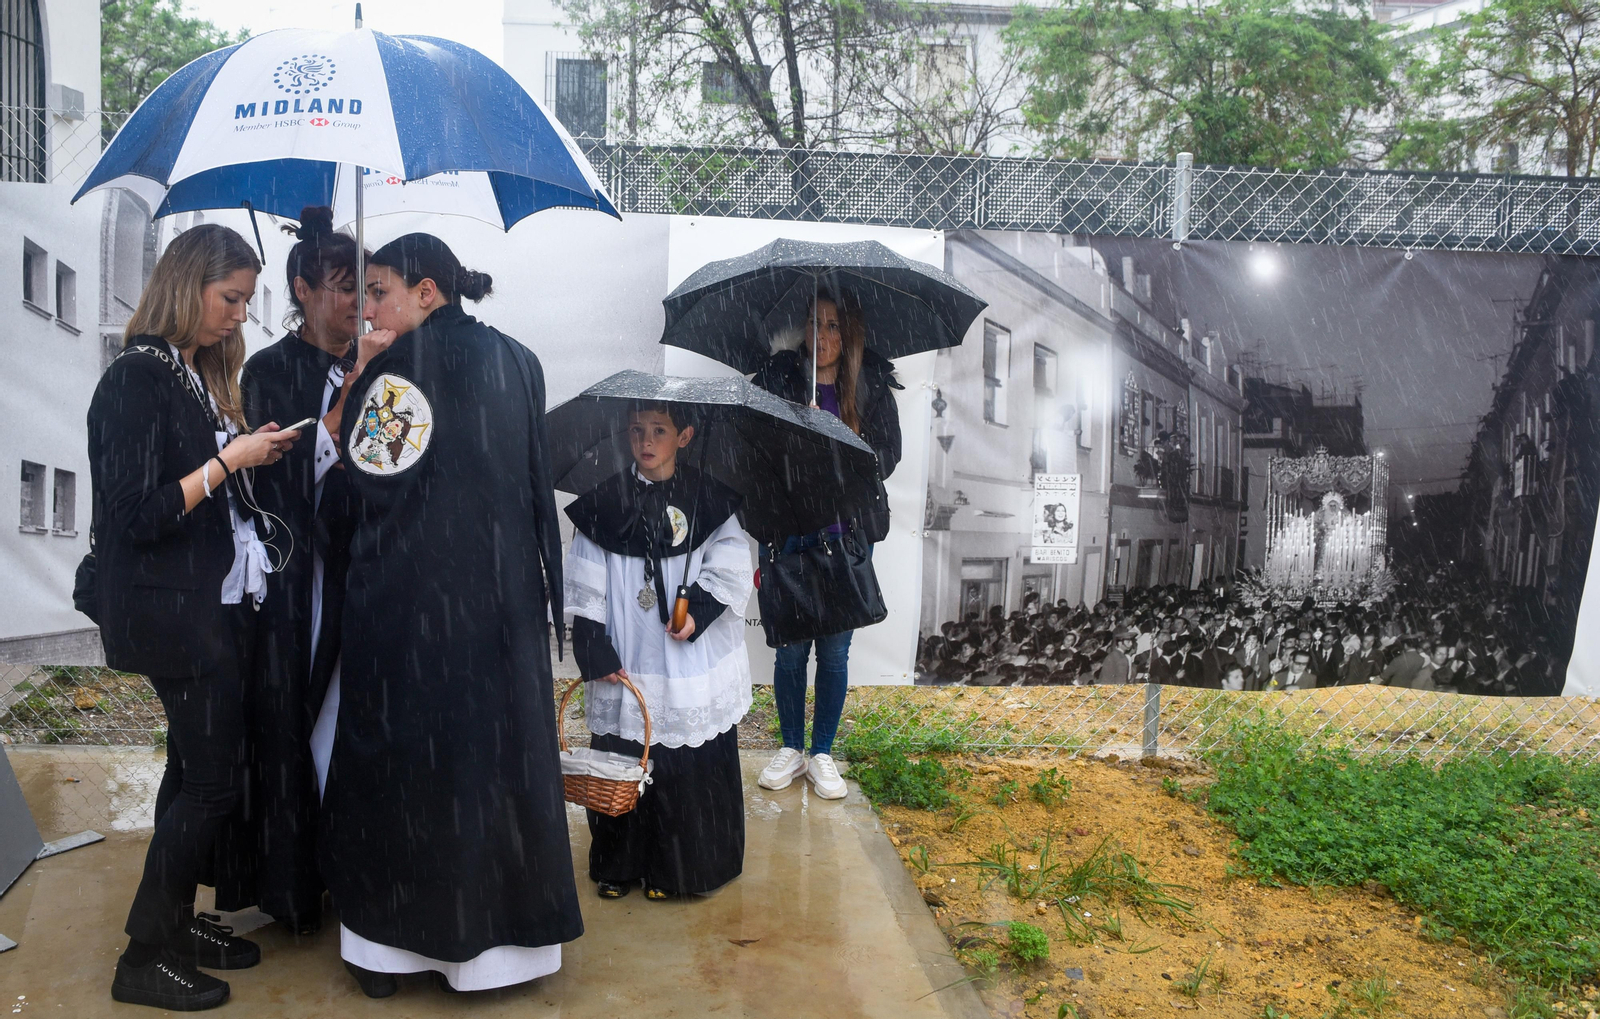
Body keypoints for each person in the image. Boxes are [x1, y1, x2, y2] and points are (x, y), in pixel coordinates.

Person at [319, 234, 579, 997]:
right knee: (495, 768)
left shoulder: (395, 371)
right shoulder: (520, 361)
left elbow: (356, 495)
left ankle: (388, 952)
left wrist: (357, 388)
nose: (368, 308)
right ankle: (502, 950)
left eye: (380, 291)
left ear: (427, 291)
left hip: (408, 611)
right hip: (500, 609)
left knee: (402, 772)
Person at [90, 225, 301, 1011]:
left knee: (192, 772)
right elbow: (135, 515)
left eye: (246, 300)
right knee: (212, 783)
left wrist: (244, 452)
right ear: (188, 286)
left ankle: (174, 925)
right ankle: (144, 955)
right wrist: (226, 462)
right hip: (170, 613)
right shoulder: (136, 379)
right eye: (230, 298)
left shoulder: (186, 374)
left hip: (200, 606)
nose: (240, 315)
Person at [565, 403, 755, 900]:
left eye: (659, 431)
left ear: (684, 437)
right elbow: (586, 577)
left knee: (684, 762)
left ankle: (678, 868)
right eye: (637, 431)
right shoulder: (605, 503)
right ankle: (621, 861)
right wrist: (593, 644)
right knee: (624, 761)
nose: (645, 442)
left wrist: (699, 611)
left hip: (685, 656)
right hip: (629, 652)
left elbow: (730, 563)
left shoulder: (707, 499)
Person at [235, 207, 362, 935]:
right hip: (294, 583)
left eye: (363, 287)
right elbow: (268, 480)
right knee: (293, 720)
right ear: (302, 289)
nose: (354, 302)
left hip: (358, 575)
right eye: (341, 286)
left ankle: (350, 871)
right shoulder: (269, 371)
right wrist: (333, 426)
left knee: (350, 721)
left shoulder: (377, 366)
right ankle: (292, 883)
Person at [752, 291, 902, 799]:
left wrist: (840, 446)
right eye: (814, 323)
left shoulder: (870, 384)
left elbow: (888, 454)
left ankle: (822, 753)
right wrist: (797, 436)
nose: (823, 335)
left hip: (845, 533)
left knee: (834, 653)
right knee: (791, 651)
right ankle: (791, 747)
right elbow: (754, 448)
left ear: (848, 332)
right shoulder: (777, 380)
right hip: (789, 530)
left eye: (833, 325)